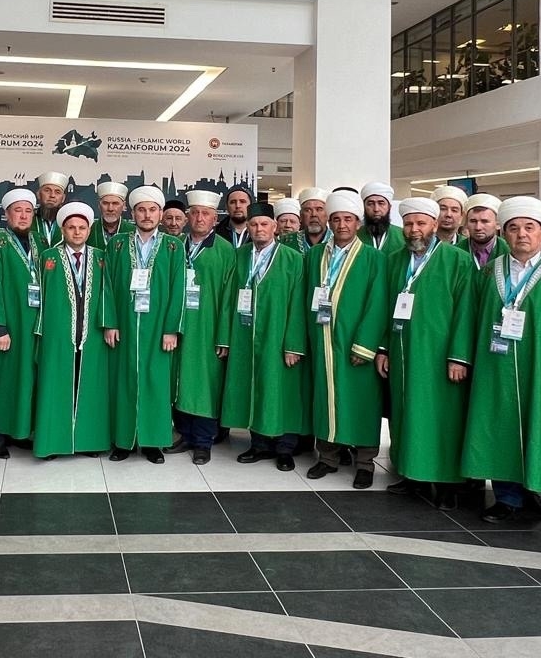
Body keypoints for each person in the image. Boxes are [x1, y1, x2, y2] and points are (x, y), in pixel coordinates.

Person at [457, 197, 541, 542]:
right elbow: (469, 317)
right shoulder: (489, 272)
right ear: (504, 233)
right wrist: (462, 358)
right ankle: (507, 498)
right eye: (514, 228)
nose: (522, 234)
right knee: (500, 431)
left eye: (530, 227)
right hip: (495, 369)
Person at [376, 197, 476, 508]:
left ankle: (447, 484)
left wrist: (458, 356)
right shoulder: (394, 260)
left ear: (434, 224)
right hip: (402, 351)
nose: (414, 229)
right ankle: (412, 475)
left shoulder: (457, 260)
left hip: (439, 356)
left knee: (442, 418)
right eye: (408, 224)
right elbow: (384, 306)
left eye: (421, 223)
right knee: (406, 414)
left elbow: (466, 311)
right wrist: (384, 348)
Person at [303, 190, 390, 488]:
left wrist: (365, 346)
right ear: (329, 222)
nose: (342, 225)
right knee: (325, 398)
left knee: (361, 402)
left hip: (355, 344)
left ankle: (365, 462)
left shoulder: (373, 258)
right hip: (322, 339)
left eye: (348, 219)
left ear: (358, 223)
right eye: (337, 219)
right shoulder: (316, 255)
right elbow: (305, 297)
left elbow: (378, 304)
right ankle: (327, 457)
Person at [220, 202, 307, 471]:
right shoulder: (239, 256)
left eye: (264, 224)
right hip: (244, 333)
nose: (259, 229)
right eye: (254, 224)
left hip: (277, 336)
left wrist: (293, 344)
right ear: (248, 227)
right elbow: (227, 298)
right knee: (254, 387)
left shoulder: (292, 259)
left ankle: (285, 448)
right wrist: (225, 338)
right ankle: (258, 444)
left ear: (275, 227)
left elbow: (298, 305)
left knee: (280, 390)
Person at [103, 185, 185, 463]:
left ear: (160, 214)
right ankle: (123, 441)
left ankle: (152, 442)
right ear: (132, 213)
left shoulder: (173, 246)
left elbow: (178, 290)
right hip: (125, 325)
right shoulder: (117, 244)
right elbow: (107, 286)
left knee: (155, 382)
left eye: (152, 210)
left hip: (157, 326)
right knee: (124, 381)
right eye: (141, 210)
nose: (147, 215)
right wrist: (110, 322)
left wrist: (171, 329)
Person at [32, 202, 113, 458]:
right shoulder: (49, 257)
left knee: (90, 385)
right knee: (56, 386)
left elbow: (108, 293)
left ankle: (89, 442)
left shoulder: (101, 257)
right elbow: (40, 297)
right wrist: (41, 329)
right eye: (71, 228)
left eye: (82, 228)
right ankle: (54, 443)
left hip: (92, 334)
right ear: (63, 230)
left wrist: (108, 324)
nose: (77, 232)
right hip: (58, 333)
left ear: (89, 230)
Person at [165, 190, 236, 465]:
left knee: (205, 383)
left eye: (205, 213)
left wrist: (224, 337)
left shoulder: (225, 251)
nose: (199, 218)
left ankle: (203, 441)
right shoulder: (175, 246)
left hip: (208, 328)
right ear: (187, 217)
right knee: (180, 381)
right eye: (194, 213)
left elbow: (229, 298)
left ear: (215, 219)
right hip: (178, 326)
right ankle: (184, 434)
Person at [0, 189, 42, 458]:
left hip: (34, 325)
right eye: (18, 211)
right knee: (3, 378)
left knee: (27, 378)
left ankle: (19, 431)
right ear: (6, 214)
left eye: (28, 211)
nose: (23, 216)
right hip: (9, 325)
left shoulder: (41, 242)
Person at [459, 194, 508, 269]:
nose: (478, 227)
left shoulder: (509, 251)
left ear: (498, 224)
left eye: (484, 221)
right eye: (473, 221)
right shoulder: (455, 252)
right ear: (466, 224)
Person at [357, 182, 404, 255]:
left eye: (381, 203)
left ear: (389, 207)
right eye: (370, 204)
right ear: (364, 207)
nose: (376, 209)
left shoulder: (402, 235)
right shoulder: (355, 235)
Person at [32, 171, 70, 252]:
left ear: (63, 198)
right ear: (38, 194)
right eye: (47, 190)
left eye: (57, 192)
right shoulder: (28, 220)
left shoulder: (69, 222)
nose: (52, 195)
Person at [89, 181, 134, 249]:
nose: (110, 209)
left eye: (115, 203)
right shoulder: (90, 230)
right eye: (105, 203)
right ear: (99, 205)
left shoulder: (133, 231)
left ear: (124, 206)